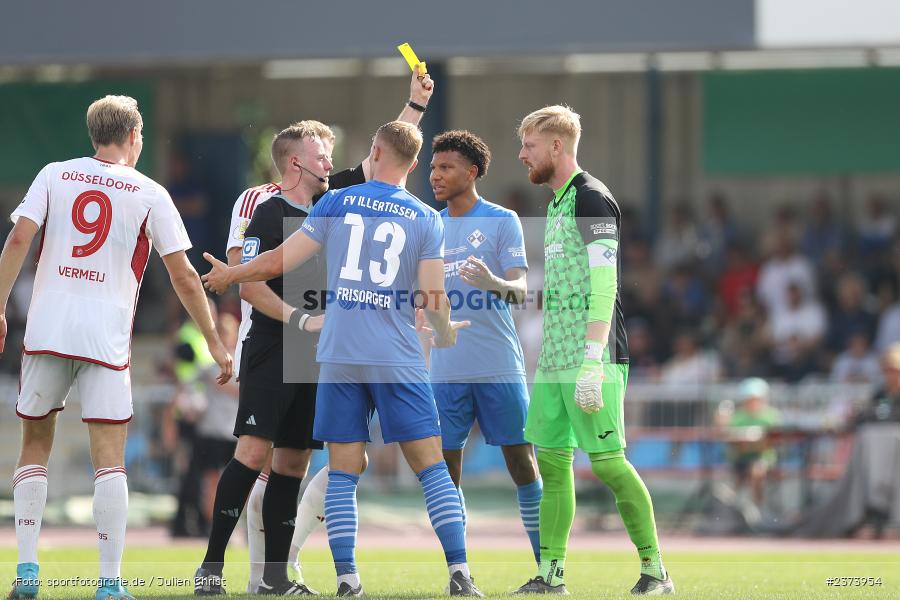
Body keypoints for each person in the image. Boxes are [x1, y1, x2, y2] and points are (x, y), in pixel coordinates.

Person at [202, 121, 482, 597]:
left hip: (338, 356)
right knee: (432, 468)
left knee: (343, 471)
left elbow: (279, 261)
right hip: (394, 357)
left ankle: (347, 580)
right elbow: (434, 299)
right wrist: (444, 331)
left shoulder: (334, 203)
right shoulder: (425, 218)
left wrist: (233, 274)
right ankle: (459, 572)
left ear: (374, 151)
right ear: (414, 165)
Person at [0, 95, 232, 600]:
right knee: (110, 461)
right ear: (134, 136)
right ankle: (108, 583)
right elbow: (185, 277)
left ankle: (27, 574)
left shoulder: (54, 174)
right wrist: (215, 340)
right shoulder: (150, 192)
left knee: (34, 447)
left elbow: (18, 241)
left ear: (93, 134)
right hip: (106, 339)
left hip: (46, 333)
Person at [513, 105, 673, 595]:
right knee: (554, 466)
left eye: (530, 146)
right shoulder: (558, 202)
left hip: (590, 358)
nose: (522, 155)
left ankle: (656, 572)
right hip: (555, 360)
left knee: (606, 463)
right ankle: (551, 576)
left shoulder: (591, 199)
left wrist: (591, 358)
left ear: (557, 146)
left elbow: (605, 286)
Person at [425, 130, 542, 563]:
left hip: (498, 366)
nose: (435, 175)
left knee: (521, 464)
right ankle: (459, 570)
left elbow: (520, 291)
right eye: (434, 167)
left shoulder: (501, 220)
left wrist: (493, 282)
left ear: (471, 172)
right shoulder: (430, 225)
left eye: (446, 167)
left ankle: (548, 571)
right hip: (445, 368)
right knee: (445, 471)